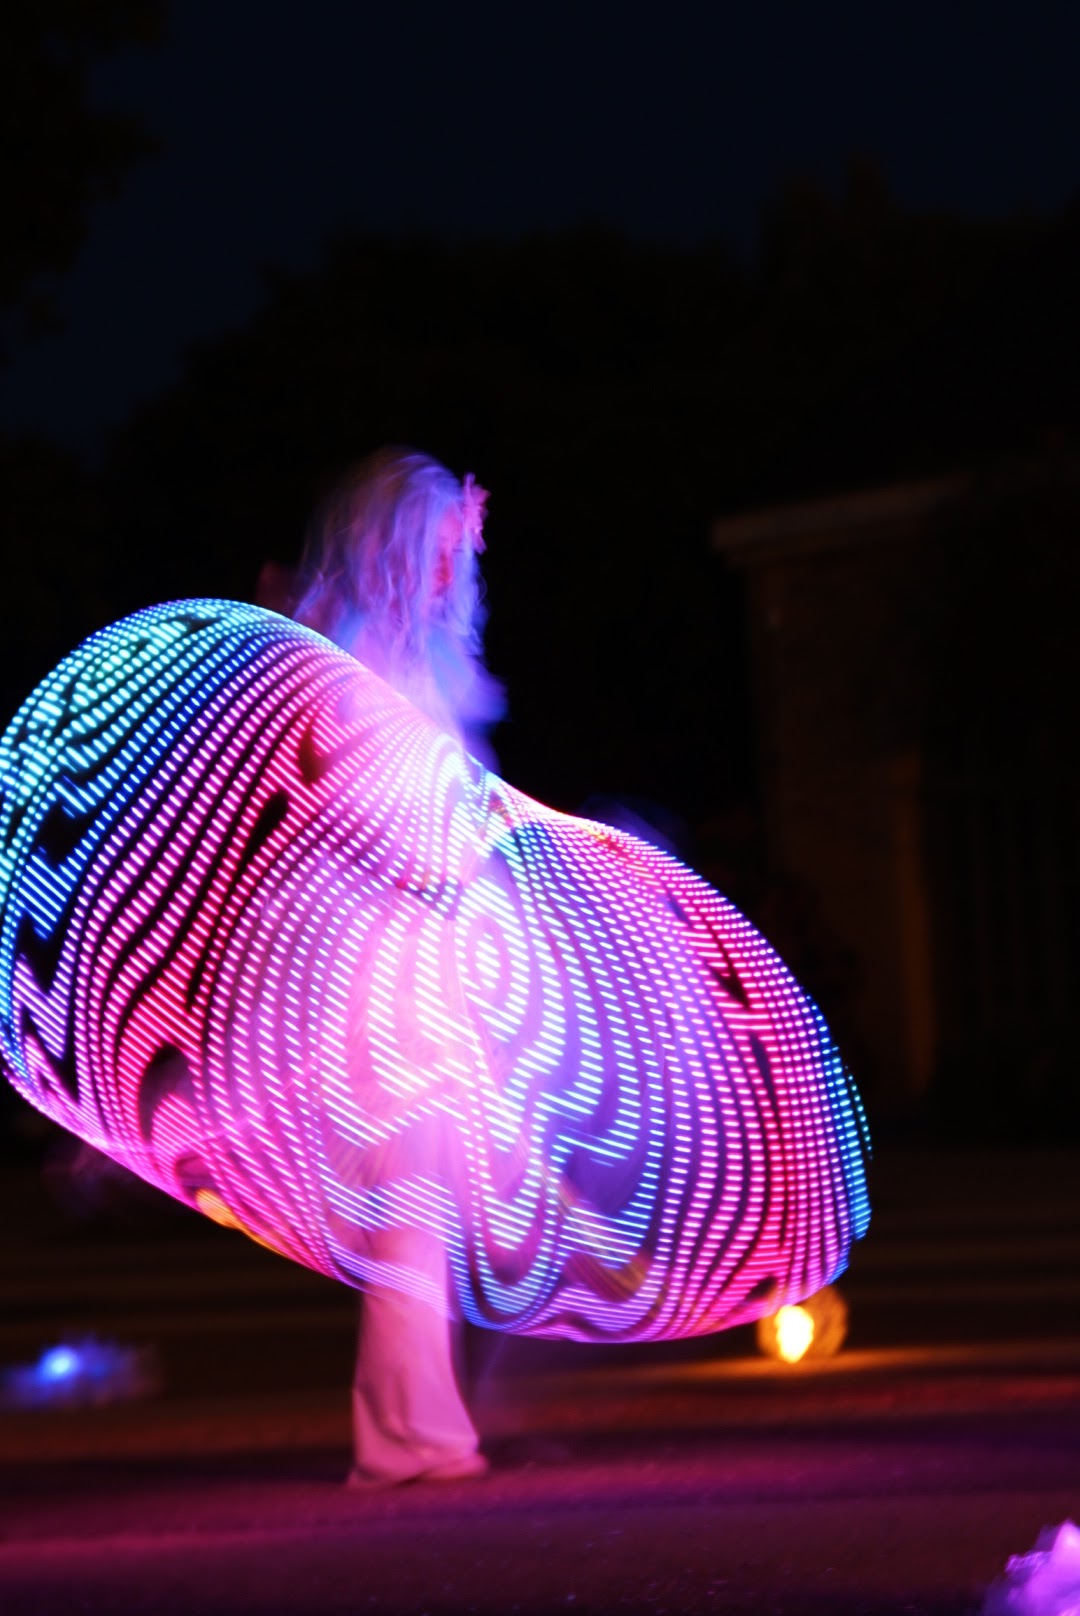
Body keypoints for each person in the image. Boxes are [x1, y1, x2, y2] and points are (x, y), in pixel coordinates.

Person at [280, 448, 504, 1487]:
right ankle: (410, 1437)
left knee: (430, 1212)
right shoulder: (359, 652)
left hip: (433, 953)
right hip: (375, 963)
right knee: (411, 1203)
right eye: (436, 549)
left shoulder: (428, 661)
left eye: (460, 551)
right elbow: (349, 804)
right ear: (394, 550)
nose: (451, 570)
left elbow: (457, 802)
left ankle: (412, 1427)